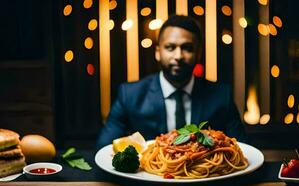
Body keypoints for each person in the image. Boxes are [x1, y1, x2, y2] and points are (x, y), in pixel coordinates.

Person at [97, 15, 246, 148]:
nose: (178, 56)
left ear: (199, 53)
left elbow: (243, 149)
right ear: (157, 52)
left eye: (187, 48)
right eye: (170, 47)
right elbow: (104, 147)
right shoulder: (129, 95)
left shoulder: (221, 96)